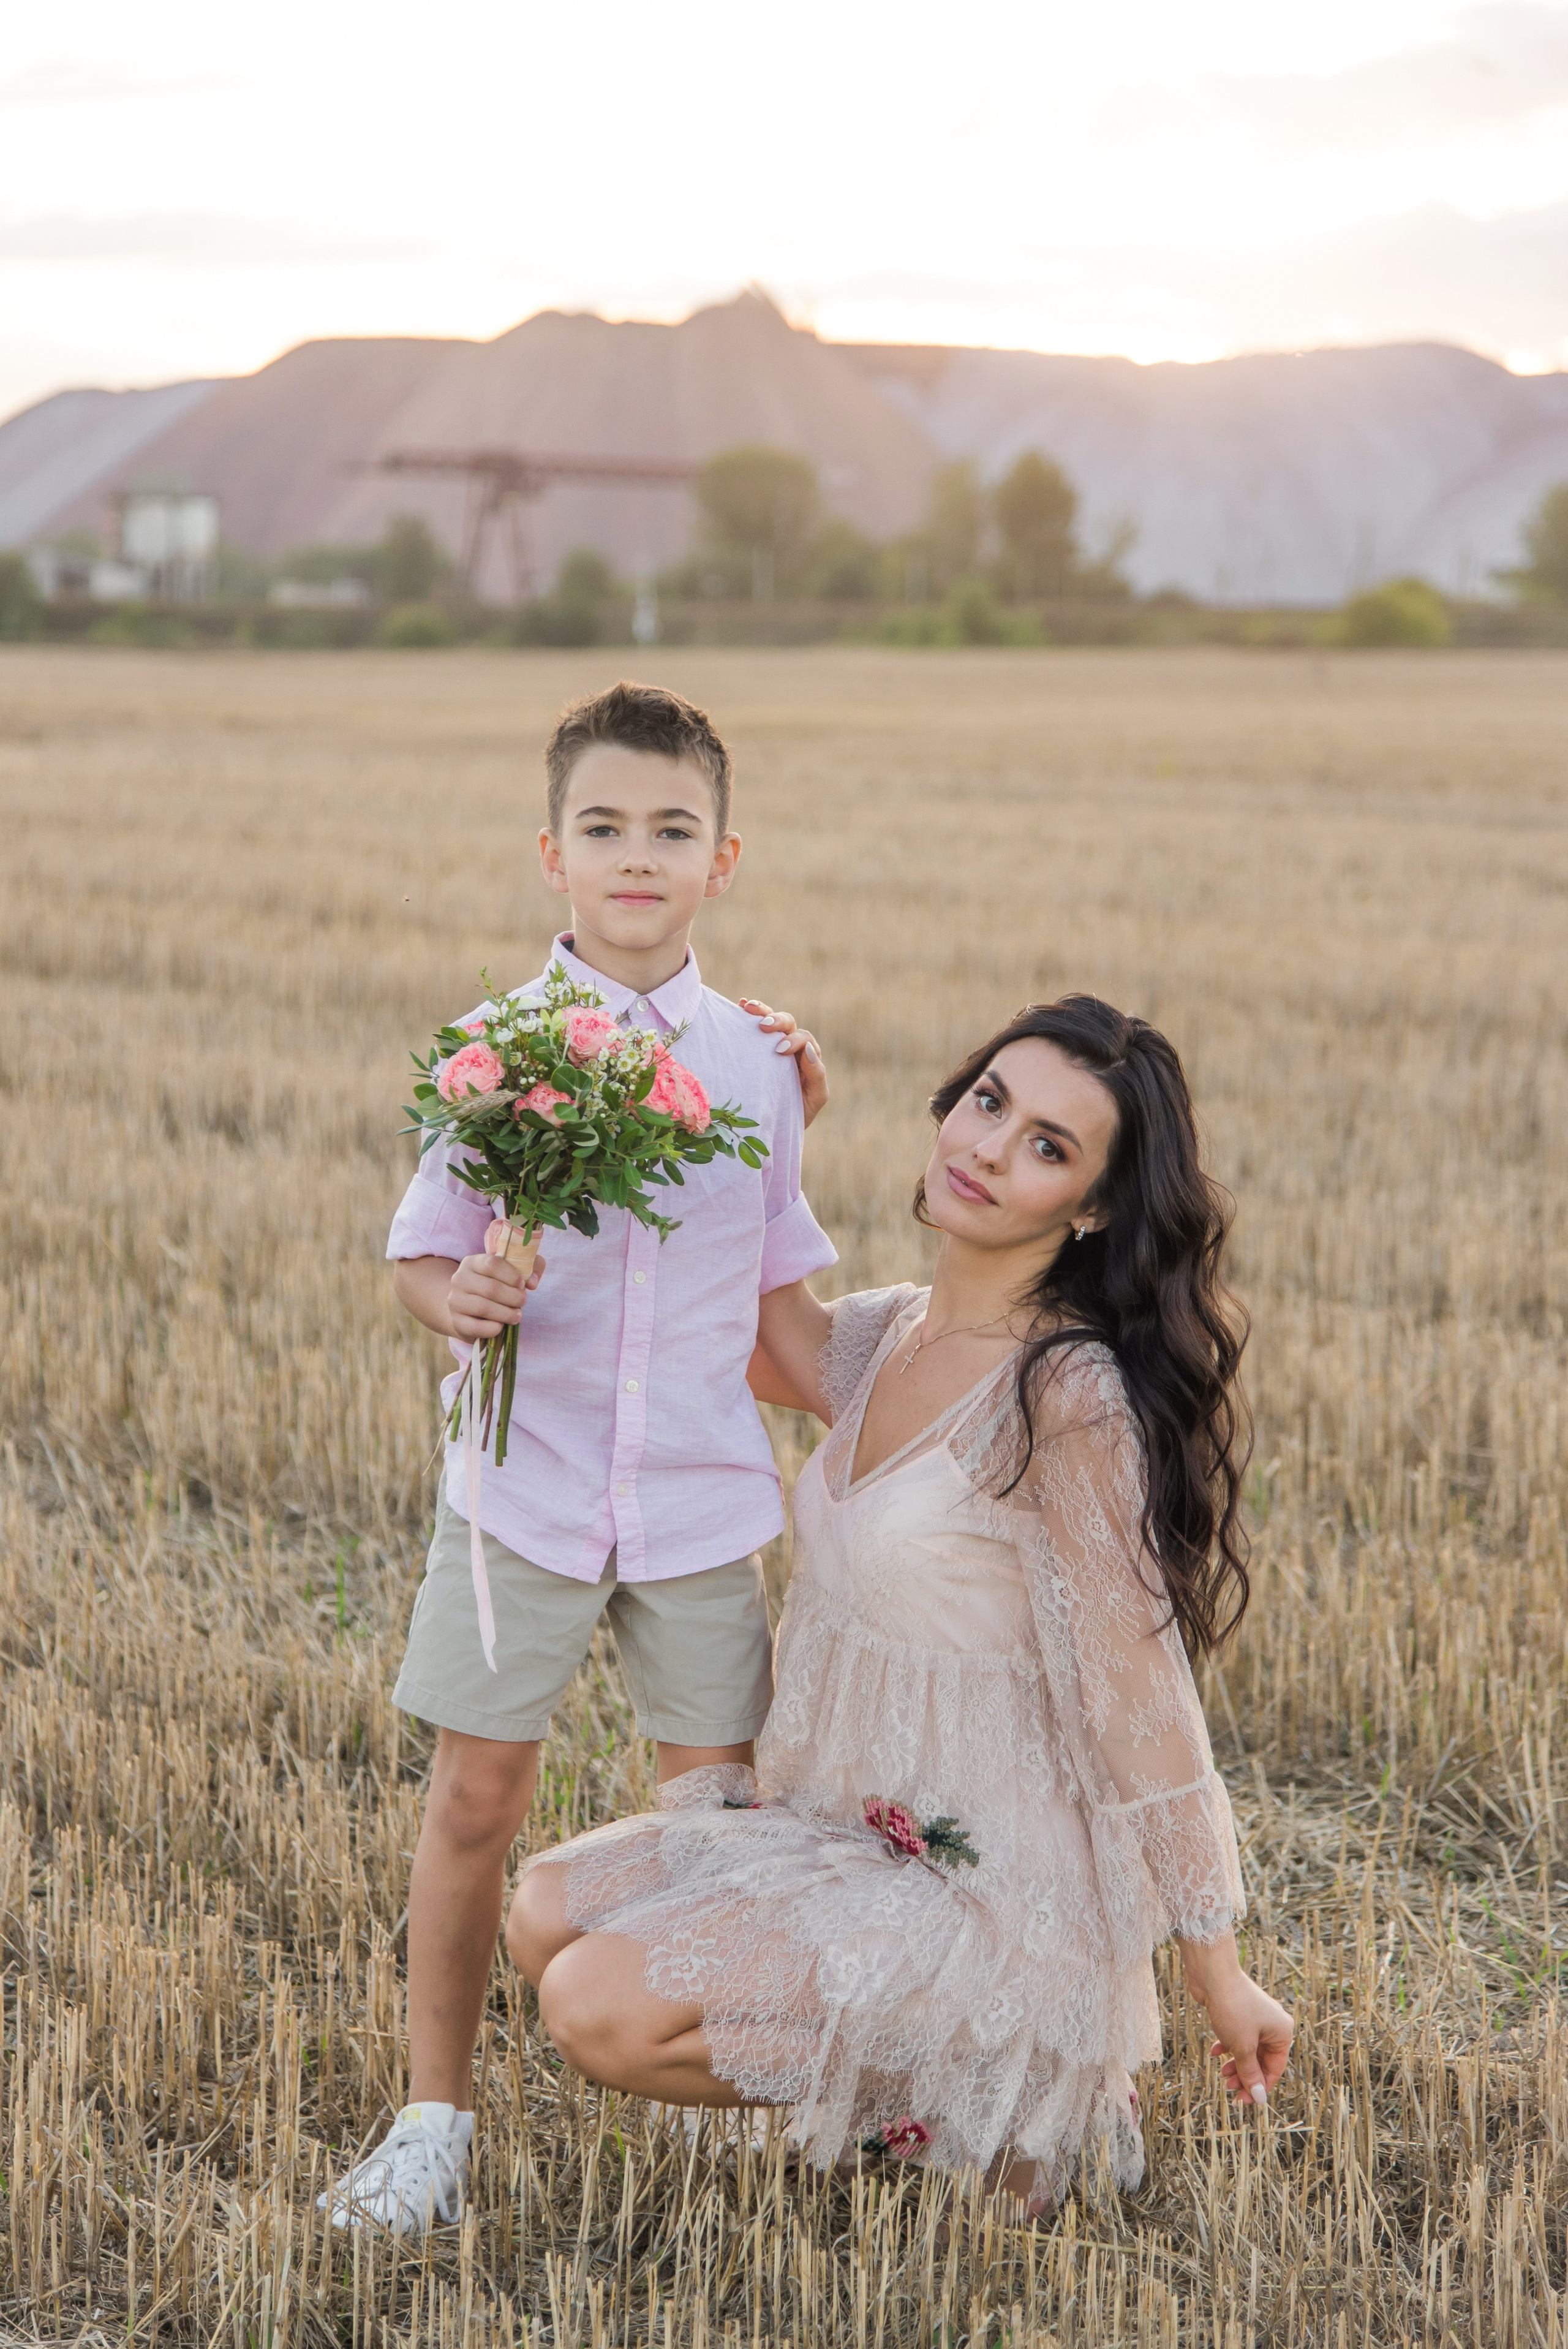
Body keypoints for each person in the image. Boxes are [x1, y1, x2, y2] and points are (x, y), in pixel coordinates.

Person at [508, 996, 1294, 2211]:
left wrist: (1216, 1973)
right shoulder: (890, 1332)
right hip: (841, 1829)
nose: (986, 1148)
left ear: (1087, 1207)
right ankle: (920, 2097)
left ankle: (1021, 2071)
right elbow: (770, 1339)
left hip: (982, 1895)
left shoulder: (1063, 1398)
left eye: (1046, 1146)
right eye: (989, 1102)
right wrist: (772, 1118)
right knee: (543, 1914)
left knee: (595, 2007)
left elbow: (1138, 1693)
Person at [322, 681, 835, 2233]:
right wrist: (455, 1300)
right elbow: (423, 1259)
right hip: (522, 1491)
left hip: (694, 1496)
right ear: (550, 851)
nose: (636, 856)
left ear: (721, 859)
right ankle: (431, 2123)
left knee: (715, 1824)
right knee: (475, 1799)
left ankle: (718, 2087)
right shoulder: (493, 1050)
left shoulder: (755, 1067)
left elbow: (773, 1299)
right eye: (603, 827)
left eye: (670, 830)